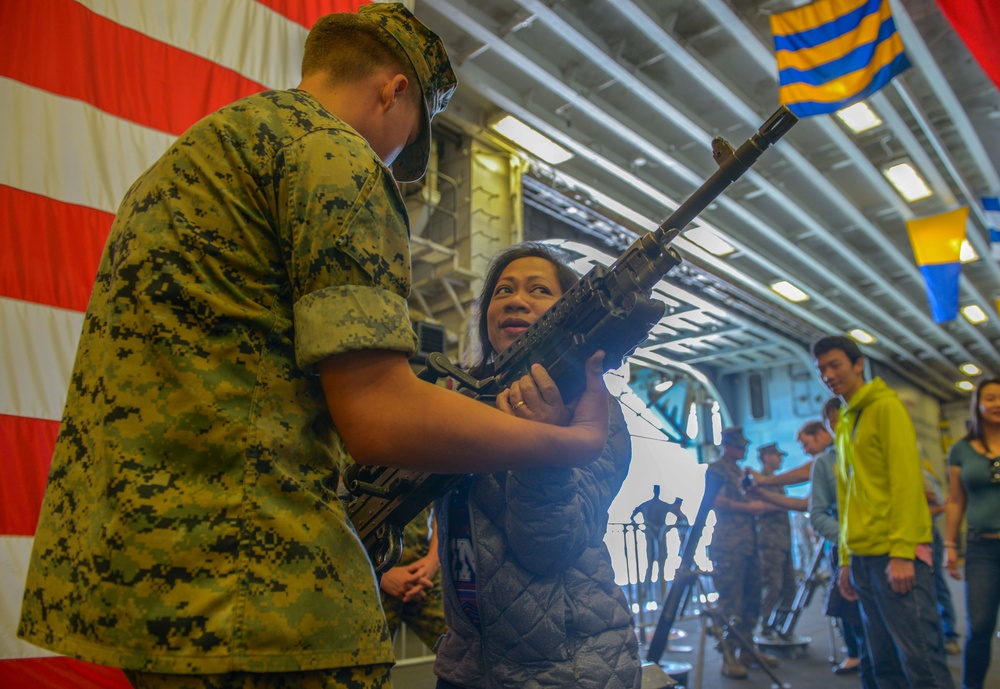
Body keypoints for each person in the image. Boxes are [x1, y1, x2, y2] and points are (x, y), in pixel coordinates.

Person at [17, 7, 614, 688]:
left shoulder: (191, 159)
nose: (392, 159)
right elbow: (378, 415)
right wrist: (573, 442)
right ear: (395, 91)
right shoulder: (334, 156)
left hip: (148, 577)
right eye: (406, 140)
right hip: (260, 592)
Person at [432, 242, 641, 689]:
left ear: (570, 311)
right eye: (502, 290)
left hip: (569, 668)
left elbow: (549, 549)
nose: (515, 300)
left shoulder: (592, 408)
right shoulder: (468, 401)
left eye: (539, 290)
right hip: (466, 664)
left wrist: (544, 448)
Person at [813, 335, 953, 689]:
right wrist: (845, 559)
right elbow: (847, 498)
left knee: (921, 663)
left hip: (895, 557)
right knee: (882, 666)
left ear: (858, 365)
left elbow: (905, 483)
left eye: (835, 365)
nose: (828, 374)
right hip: (861, 559)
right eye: (822, 369)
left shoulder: (885, 408)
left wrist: (903, 551)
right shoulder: (845, 419)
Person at [804, 414, 875, 686]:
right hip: (846, 549)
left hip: (876, 550)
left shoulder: (861, 452)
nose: (806, 449)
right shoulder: (824, 462)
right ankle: (855, 653)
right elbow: (816, 511)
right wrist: (848, 541)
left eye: (807, 443)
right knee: (850, 612)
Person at [706, 426, 779, 679]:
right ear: (727, 445)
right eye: (739, 445)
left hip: (749, 543)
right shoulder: (716, 470)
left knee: (751, 599)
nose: (743, 449)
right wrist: (747, 508)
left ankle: (747, 651)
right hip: (728, 545)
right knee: (729, 602)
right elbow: (714, 501)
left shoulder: (740, 471)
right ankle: (728, 657)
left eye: (744, 445)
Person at [945, 378, 1000, 689]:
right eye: (989, 398)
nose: (996, 404)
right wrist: (951, 545)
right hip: (982, 550)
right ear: (978, 405)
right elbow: (955, 500)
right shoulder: (961, 450)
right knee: (979, 628)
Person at [379, 507, 448, 653]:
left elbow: (440, 502)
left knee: (464, 652)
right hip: (372, 576)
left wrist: (433, 560)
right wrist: (379, 573)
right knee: (370, 665)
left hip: (424, 574)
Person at [754, 443, 797, 638]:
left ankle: (780, 625)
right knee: (773, 586)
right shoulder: (761, 481)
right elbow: (760, 506)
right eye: (777, 456)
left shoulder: (776, 481)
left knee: (790, 587)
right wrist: (787, 505)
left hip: (783, 541)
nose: (780, 459)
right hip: (770, 542)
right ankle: (765, 625)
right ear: (767, 457)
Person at [922, 461, 961, 655]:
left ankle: (948, 635)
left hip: (927, 534)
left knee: (936, 585)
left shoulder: (919, 473)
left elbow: (941, 502)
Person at [630, 485, 688, 591]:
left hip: (658, 534)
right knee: (655, 561)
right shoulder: (659, 505)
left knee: (656, 561)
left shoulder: (649, 504)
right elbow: (677, 513)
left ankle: (656, 589)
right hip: (654, 534)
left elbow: (633, 515)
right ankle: (653, 589)